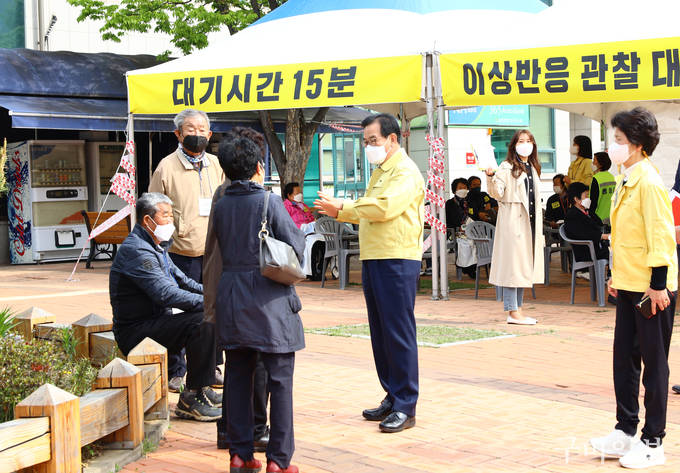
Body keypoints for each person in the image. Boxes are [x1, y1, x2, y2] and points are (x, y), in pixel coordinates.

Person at [314, 113, 424, 434]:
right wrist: (345, 210)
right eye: (365, 141)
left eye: (373, 140)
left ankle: (406, 405)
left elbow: (383, 208)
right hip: (375, 256)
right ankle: (393, 394)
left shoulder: (404, 171)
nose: (368, 146)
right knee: (381, 331)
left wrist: (342, 208)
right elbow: (370, 209)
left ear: (392, 139)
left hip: (397, 258)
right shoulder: (381, 170)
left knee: (398, 332)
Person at [590, 107, 678, 469]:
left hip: (651, 289)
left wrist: (658, 285)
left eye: (619, 140)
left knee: (654, 365)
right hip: (629, 284)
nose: (613, 146)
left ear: (638, 144)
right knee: (624, 359)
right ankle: (625, 430)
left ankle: (653, 441)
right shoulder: (627, 178)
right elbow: (627, 238)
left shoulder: (650, 183)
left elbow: (661, 238)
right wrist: (616, 275)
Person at [212, 133, 305, 473]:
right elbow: (296, 247)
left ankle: (240, 454)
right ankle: (278, 460)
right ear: (258, 166)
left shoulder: (220, 205)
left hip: (231, 296)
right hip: (269, 299)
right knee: (279, 379)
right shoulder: (269, 201)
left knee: (238, 376)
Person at [109, 192, 221, 422]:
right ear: (148, 220)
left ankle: (201, 387)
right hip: (135, 332)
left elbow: (184, 281)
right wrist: (210, 303)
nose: (171, 221)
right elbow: (165, 294)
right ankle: (191, 398)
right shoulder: (137, 250)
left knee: (206, 314)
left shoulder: (155, 246)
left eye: (171, 215)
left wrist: (215, 295)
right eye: (166, 215)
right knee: (202, 320)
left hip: (154, 323)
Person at [203, 127, 271, 452]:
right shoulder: (250, 196)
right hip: (248, 292)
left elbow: (211, 251)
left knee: (236, 362)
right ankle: (255, 428)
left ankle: (229, 428)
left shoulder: (222, 194)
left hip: (223, 289)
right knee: (256, 362)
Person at [148, 108, 225, 392]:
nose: (197, 134)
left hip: (214, 253)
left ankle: (211, 367)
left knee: (214, 310)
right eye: (190, 129)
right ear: (178, 134)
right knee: (180, 312)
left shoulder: (217, 164)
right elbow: (153, 208)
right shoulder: (166, 167)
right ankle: (177, 370)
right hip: (180, 252)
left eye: (202, 129)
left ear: (210, 134)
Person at [485, 129, 544, 325]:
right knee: (513, 268)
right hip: (513, 221)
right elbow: (497, 193)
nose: (525, 144)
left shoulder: (532, 167)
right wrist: (490, 177)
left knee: (523, 267)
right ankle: (512, 311)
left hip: (529, 223)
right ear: (514, 145)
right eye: (521, 141)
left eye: (529, 140)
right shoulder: (506, 166)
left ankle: (518, 309)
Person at [282, 182, 325, 280]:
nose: (300, 195)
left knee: (324, 242)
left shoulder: (303, 206)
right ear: (289, 195)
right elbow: (286, 223)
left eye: (300, 192)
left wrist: (312, 224)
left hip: (310, 231)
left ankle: (320, 270)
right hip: (296, 234)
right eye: (297, 193)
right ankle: (312, 272)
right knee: (313, 243)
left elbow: (311, 218)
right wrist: (302, 227)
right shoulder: (286, 206)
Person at [563, 182, 610, 262]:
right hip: (586, 251)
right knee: (617, 252)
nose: (588, 198)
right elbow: (582, 233)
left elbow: (600, 224)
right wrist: (602, 236)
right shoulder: (572, 215)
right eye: (586, 196)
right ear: (576, 199)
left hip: (597, 247)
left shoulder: (587, 212)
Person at [589, 151, 616, 223]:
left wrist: (590, 215)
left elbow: (593, 201)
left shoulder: (596, 178)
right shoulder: (612, 177)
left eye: (594, 160)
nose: (592, 163)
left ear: (600, 163)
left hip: (598, 218)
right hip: (610, 217)